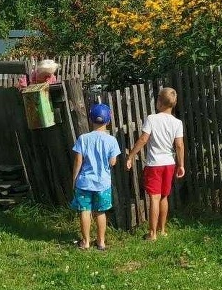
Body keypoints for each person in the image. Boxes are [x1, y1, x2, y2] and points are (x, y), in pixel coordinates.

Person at [124, 87, 185, 240]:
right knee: (164, 197)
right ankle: (162, 230)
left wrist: (131, 155)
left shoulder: (152, 119)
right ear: (174, 103)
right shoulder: (177, 123)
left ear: (159, 102)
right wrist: (181, 164)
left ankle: (152, 234)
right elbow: (179, 145)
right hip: (169, 164)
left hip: (154, 164)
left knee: (154, 198)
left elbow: (144, 139)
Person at [71, 102, 121, 251]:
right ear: (108, 120)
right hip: (102, 183)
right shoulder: (111, 140)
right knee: (100, 212)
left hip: (84, 182)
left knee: (84, 211)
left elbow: (78, 160)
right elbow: (113, 162)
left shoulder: (83, 138)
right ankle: (101, 242)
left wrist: (74, 179)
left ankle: (85, 242)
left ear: (91, 119)